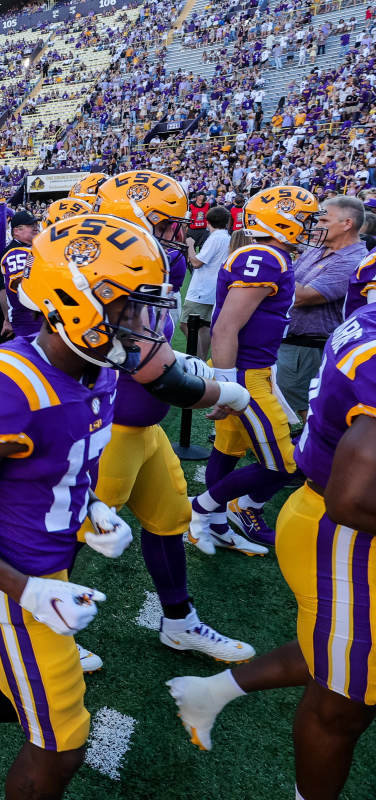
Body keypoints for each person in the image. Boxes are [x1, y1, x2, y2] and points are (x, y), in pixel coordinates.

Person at [0, 213, 249, 796]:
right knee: (63, 741)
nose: (142, 326)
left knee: (23, 691)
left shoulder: (94, 365)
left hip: (47, 566)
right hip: (11, 576)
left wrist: (91, 506)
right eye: (127, 309)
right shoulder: (12, 383)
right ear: (74, 301)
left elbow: (53, 460)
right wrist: (29, 590)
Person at [168, 305, 376, 800]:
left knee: (346, 656)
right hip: (346, 532)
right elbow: (355, 498)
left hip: (331, 515)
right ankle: (209, 511)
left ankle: (212, 691)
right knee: (343, 702)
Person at [88, 173, 254, 669]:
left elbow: (156, 349)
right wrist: (226, 390)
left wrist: (194, 366)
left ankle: (179, 623)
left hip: (145, 428)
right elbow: (148, 371)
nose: (180, 235)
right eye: (168, 224)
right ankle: (42, 629)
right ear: (136, 217)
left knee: (169, 520)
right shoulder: (102, 276)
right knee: (73, 536)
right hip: (107, 429)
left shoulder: (147, 267)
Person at [191, 186, 322, 552]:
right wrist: (228, 386)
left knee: (227, 451)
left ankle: (215, 524)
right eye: (306, 218)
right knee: (285, 463)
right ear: (283, 218)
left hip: (254, 368)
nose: (311, 226)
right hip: (246, 372)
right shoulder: (265, 256)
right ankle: (200, 510)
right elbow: (226, 327)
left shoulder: (271, 255)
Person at [278, 196, 368, 420]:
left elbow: (303, 296)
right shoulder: (318, 248)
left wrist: (272, 269)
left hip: (307, 345)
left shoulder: (353, 259)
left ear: (347, 223)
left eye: (324, 221)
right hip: (290, 339)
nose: (317, 226)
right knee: (281, 399)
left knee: (298, 408)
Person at [183, 206, 232, 360]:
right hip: (214, 289)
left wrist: (190, 245)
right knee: (203, 326)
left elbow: (197, 262)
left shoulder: (216, 237)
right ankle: (202, 360)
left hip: (201, 290)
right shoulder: (226, 237)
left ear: (208, 221)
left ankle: (198, 360)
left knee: (186, 324)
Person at [0, 210, 43, 340]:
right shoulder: (14, 253)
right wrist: (7, 319)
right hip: (28, 319)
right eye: (31, 225)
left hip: (37, 316)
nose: (36, 227)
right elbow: (10, 289)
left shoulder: (33, 247)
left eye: (36, 223)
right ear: (16, 231)